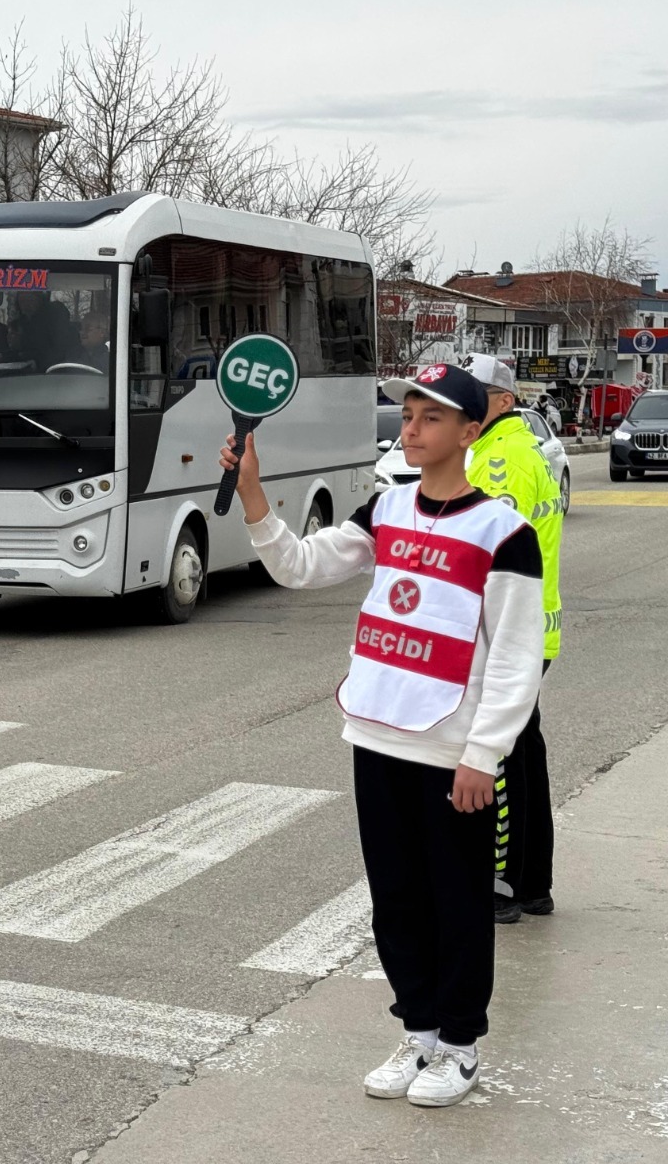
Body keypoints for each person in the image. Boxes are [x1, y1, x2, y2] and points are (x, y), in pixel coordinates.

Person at [220, 364, 543, 1109]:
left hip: (451, 751)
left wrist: (483, 755)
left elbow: (516, 659)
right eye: (408, 415)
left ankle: (459, 1045)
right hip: (376, 736)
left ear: (470, 431)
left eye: (432, 417)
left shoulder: (505, 533)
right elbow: (301, 567)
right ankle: (419, 1032)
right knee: (396, 899)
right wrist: (253, 495)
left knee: (458, 902)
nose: (412, 428)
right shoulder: (386, 509)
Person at [462, 354, 564, 924]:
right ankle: (531, 883)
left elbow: (485, 551)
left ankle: (501, 885)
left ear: (504, 400)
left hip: (506, 630)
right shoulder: (521, 448)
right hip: (531, 627)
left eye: (478, 393)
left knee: (496, 755)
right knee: (524, 752)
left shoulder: (500, 459)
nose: (467, 402)